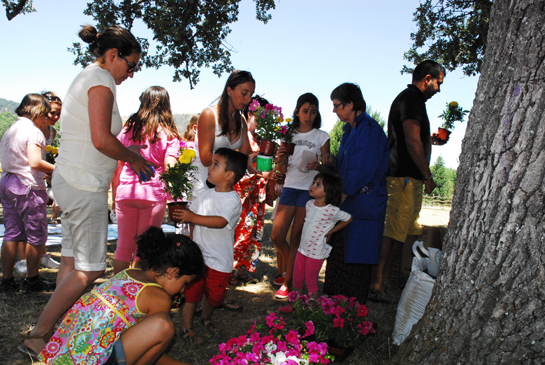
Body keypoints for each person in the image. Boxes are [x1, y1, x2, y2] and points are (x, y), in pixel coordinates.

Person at [22, 25, 155, 356]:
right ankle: (39, 334)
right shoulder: (100, 80)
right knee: (91, 268)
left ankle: (55, 333)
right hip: (84, 185)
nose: (131, 73)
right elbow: (101, 139)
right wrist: (134, 160)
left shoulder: (90, 77)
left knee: (70, 262)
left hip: (71, 180)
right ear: (113, 56)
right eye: (130, 65)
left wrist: (128, 156)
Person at [33, 226, 204, 364]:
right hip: (90, 360)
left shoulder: (129, 273)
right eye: (185, 284)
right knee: (163, 326)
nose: (182, 291)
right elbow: (151, 351)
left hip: (64, 357)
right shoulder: (158, 297)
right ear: (173, 272)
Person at [370, 60, 447, 302]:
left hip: (406, 177)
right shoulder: (411, 99)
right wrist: (427, 176)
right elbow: (412, 142)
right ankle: (376, 284)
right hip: (402, 177)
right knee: (393, 232)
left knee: (400, 232)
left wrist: (431, 140)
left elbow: (413, 138)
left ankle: (383, 281)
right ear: (427, 79)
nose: (439, 89)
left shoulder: (413, 101)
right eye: (438, 83)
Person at [323, 82, 389, 305]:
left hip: (363, 204)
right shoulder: (349, 130)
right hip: (350, 202)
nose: (334, 110)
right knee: (340, 257)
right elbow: (349, 165)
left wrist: (339, 198)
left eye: (337, 105)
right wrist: (333, 162)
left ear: (351, 104)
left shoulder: (369, 130)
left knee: (357, 259)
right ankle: (333, 309)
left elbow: (362, 170)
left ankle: (350, 316)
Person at [173, 147, 247, 344]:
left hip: (219, 261)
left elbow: (221, 221)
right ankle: (186, 327)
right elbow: (192, 220)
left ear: (229, 175)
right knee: (191, 294)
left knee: (215, 297)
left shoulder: (232, 200)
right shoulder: (205, 195)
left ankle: (206, 316)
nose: (210, 166)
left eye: (215, 164)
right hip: (199, 258)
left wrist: (192, 216)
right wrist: (189, 233)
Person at [112, 86, 182, 274]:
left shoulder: (127, 129)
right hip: (153, 195)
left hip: (125, 192)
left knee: (123, 246)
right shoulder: (169, 134)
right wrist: (177, 196)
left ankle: (116, 292)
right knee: (144, 250)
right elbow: (170, 167)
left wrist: (115, 194)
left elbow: (117, 166)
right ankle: (138, 292)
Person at [270, 92, 330, 299]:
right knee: (276, 236)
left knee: (296, 238)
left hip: (309, 192)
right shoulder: (287, 135)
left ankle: (287, 283)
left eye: (313, 112)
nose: (309, 116)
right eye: (305, 111)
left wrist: (320, 165)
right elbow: (282, 169)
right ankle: (297, 270)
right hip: (289, 188)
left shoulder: (322, 136)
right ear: (296, 111)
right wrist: (280, 159)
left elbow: (327, 165)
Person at [0, 94, 56, 293]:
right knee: (36, 234)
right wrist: (59, 169)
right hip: (27, 185)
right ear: (36, 112)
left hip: (7, 182)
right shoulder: (33, 132)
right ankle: (32, 280)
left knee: (12, 233)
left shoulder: (11, 130)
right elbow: (35, 162)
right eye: (45, 114)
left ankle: (7, 281)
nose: (47, 118)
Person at [279, 173, 352, 312]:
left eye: (318, 184)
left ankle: (315, 309)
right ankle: (296, 305)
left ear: (329, 192)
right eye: (314, 182)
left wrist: (331, 231)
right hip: (302, 249)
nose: (313, 186)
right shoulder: (309, 204)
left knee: (310, 281)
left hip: (316, 253)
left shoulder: (332, 210)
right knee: (297, 278)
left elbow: (348, 218)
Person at [14, 91, 62, 276]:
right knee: (25, 223)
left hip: (40, 177)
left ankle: (41, 254)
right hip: (25, 179)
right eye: (51, 113)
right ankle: (24, 260)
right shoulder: (31, 129)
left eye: (58, 113)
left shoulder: (52, 131)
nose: (55, 117)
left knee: (39, 220)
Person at [191, 70, 257, 200]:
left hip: (223, 185)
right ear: (229, 90)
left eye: (251, 94)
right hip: (201, 181)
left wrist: (255, 159)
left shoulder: (241, 120)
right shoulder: (209, 115)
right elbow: (205, 159)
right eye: (244, 93)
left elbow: (245, 154)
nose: (248, 99)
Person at [232, 96, 277, 285]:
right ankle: (229, 269)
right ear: (250, 113)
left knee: (252, 233)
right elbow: (234, 166)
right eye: (261, 115)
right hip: (241, 194)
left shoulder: (260, 138)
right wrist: (259, 175)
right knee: (238, 232)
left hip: (255, 195)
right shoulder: (238, 135)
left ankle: (242, 268)